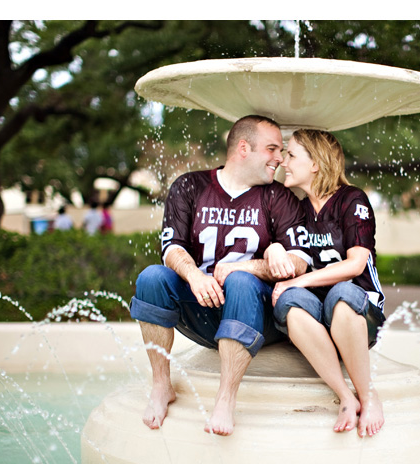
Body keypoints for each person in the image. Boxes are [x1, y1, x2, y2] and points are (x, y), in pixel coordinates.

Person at [130, 115, 310, 435]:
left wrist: (246, 268)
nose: (279, 158)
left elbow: (298, 262)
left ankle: (225, 400)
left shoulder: (278, 197)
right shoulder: (190, 186)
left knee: (240, 281)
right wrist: (196, 277)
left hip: (257, 312)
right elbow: (171, 247)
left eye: (282, 151)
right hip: (203, 303)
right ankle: (161, 385)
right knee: (152, 278)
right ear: (244, 148)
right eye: (272, 149)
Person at [268, 129, 386, 437]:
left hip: (358, 308)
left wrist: (300, 281)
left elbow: (355, 265)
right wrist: (274, 248)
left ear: (316, 164)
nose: (283, 162)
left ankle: (368, 394)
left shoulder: (352, 200)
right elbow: (277, 245)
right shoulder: (297, 207)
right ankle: (346, 397)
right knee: (290, 305)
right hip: (316, 311)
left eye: (291, 155)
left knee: (343, 294)